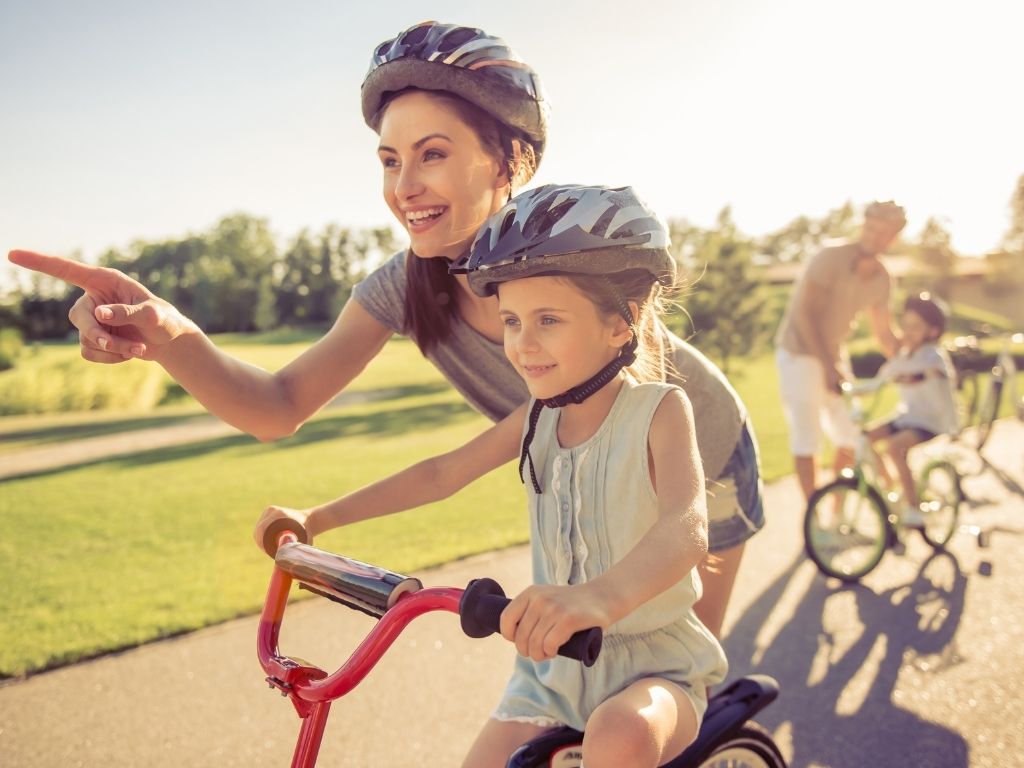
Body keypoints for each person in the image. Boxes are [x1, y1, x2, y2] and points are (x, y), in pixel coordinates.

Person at [7, 20, 761, 639]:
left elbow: (646, 471)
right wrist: (172, 335)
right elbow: (278, 407)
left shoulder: (572, 266)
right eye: (391, 160)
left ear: (509, 161)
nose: (405, 188)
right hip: (591, 481)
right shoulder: (405, 286)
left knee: (664, 681)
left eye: (433, 155)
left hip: (697, 464)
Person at [256, 184, 728, 768]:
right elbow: (440, 474)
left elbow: (686, 528)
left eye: (548, 320)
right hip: (550, 674)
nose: (522, 344)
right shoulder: (535, 418)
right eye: (511, 321)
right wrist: (318, 517)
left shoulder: (658, 410)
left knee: (620, 736)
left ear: (621, 322)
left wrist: (600, 598)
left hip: (654, 670)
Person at [774, 200, 907, 502]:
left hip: (833, 354)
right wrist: (829, 367)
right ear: (863, 225)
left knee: (850, 436)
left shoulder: (883, 278)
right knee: (808, 438)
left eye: (883, 232)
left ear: (894, 238)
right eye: (871, 228)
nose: (874, 236)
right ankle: (814, 517)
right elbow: (806, 316)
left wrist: (914, 360)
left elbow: (884, 333)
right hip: (799, 353)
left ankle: (837, 512)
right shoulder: (830, 257)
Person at [867, 292, 959, 524]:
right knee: (863, 438)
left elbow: (928, 374)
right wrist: (848, 387)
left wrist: (912, 376)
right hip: (907, 416)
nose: (907, 332)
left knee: (894, 447)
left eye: (915, 327)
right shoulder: (903, 356)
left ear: (933, 332)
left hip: (931, 421)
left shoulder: (934, 357)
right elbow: (879, 379)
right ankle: (893, 485)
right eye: (905, 325)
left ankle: (913, 507)